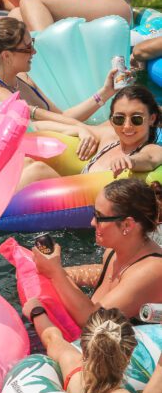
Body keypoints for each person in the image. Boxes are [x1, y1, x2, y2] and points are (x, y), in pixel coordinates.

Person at [32, 178, 162, 327]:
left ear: (127, 225)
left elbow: (92, 322)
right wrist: (61, 271)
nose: (92, 222)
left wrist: (56, 272)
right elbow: (109, 277)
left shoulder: (151, 272)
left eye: (99, 217)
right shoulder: (113, 253)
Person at [23, 304, 162, 393]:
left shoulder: (71, 364)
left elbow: (51, 337)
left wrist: (36, 311)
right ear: (129, 354)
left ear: (84, 345)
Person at [19, 85, 162, 189]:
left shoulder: (152, 149)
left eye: (136, 119)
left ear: (151, 119)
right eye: (119, 118)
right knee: (26, 162)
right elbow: (39, 126)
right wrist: (79, 130)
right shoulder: (108, 137)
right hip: (68, 198)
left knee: (38, 170)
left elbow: (149, 160)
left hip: (91, 210)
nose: (127, 126)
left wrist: (131, 161)